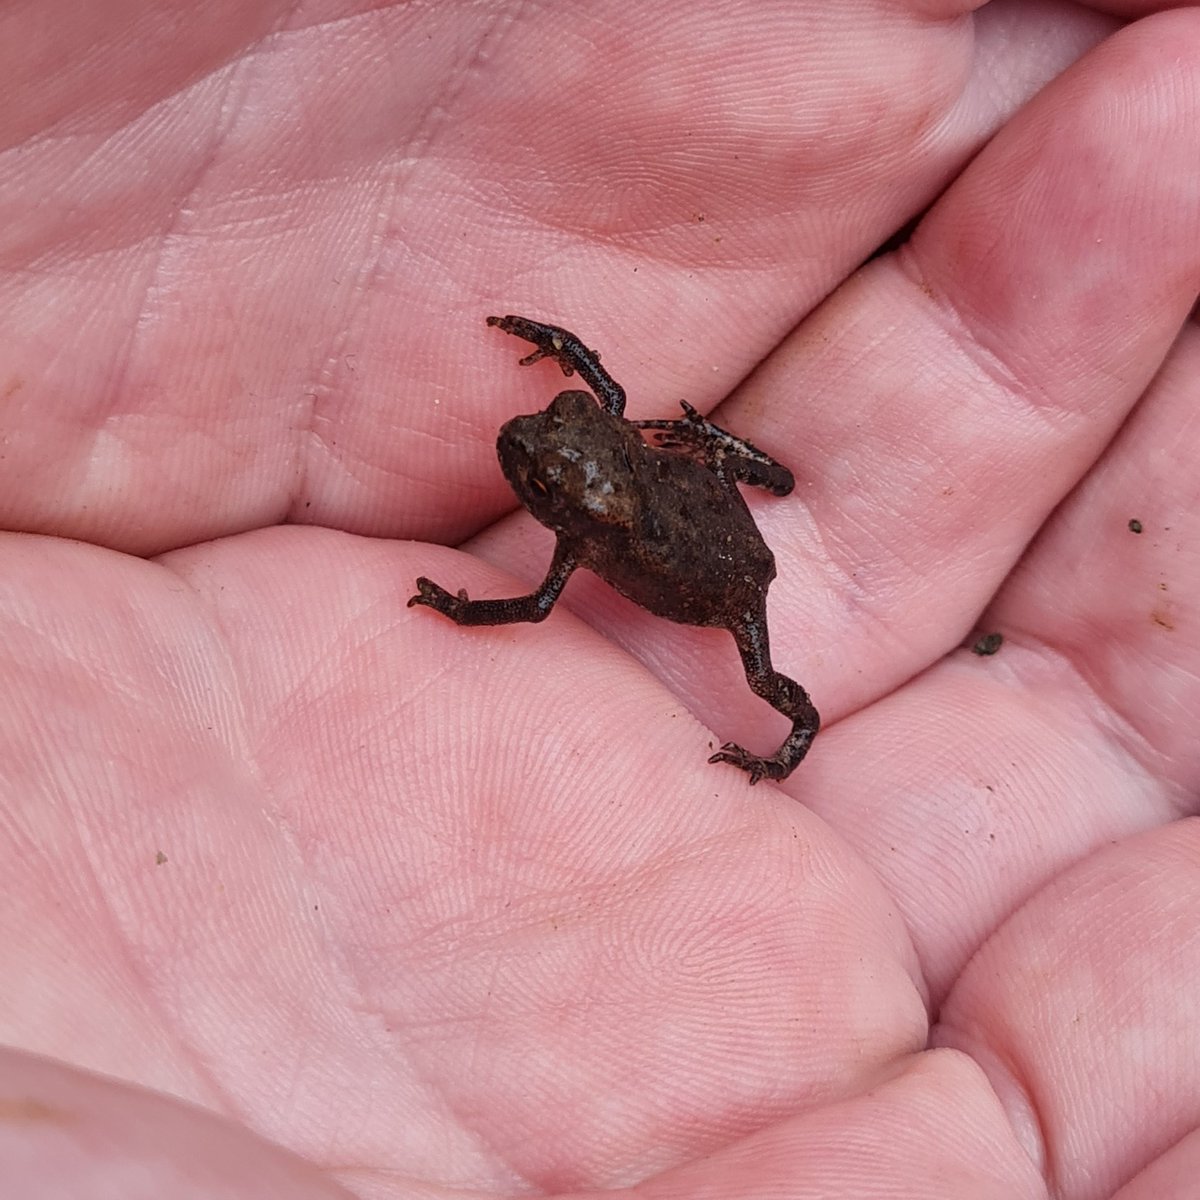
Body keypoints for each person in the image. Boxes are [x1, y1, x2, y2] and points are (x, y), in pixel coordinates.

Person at [2, 3, 1198, 1196]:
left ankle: (785, 748)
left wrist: (451, 599)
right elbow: (594, 385)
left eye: (540, 461)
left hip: (724, 578)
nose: (533, 440)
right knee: (742, 483)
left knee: (780, 688)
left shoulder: (586, 543)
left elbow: (527, 608)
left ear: (569, 513)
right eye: (550, 441)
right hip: (692, 512)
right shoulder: (596, 462)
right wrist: (568, 361)